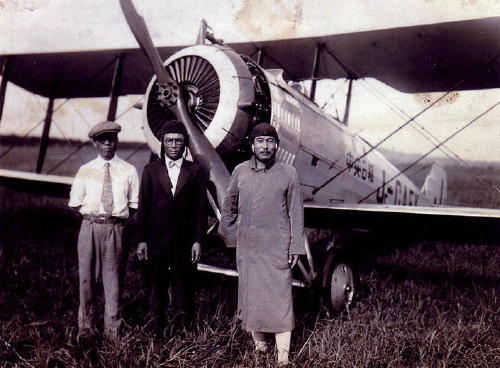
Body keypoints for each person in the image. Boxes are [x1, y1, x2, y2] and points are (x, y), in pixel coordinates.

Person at [220, 123, 305, 366]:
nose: (265, 146)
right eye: (260, 141)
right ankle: (260, 349)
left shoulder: (289, 173)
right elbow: (229, 207)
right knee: (252, 299)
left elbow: (296, 213)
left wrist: (296, 246)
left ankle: (283, 358)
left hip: (277, 248)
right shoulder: (240, 171)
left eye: (270, 141)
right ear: (252, 145)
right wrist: (232, 236)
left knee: (280, 302)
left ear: (276, 145)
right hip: (249, 250)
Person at [68, 120, 140, 341]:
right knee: (87, 280)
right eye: (103, 140)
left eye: (112, 139)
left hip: (115, 229)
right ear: (94, 143)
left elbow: (134, 204)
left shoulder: (128, 170)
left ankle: (112, 331)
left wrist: (115, 222)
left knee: (114, 281)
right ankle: (86, 329)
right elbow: (75, 203)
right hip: (89, 227)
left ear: (117, 141)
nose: (108, 143)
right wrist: (93, 219)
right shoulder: (85, 170)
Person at [135, 120, 207, 333]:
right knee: (156, 289)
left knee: (183, 289)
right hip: (156, 241)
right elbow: (143, 207)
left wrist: (198, 240)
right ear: (163, 144)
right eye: (169, 141)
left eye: (178, 140)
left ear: (185, 144)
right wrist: (141, 239)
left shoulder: (195, 171)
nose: (174, 145)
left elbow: (200, 210)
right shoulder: (150, 170)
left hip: (184, 242)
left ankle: (183, 333)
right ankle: (156, 331)